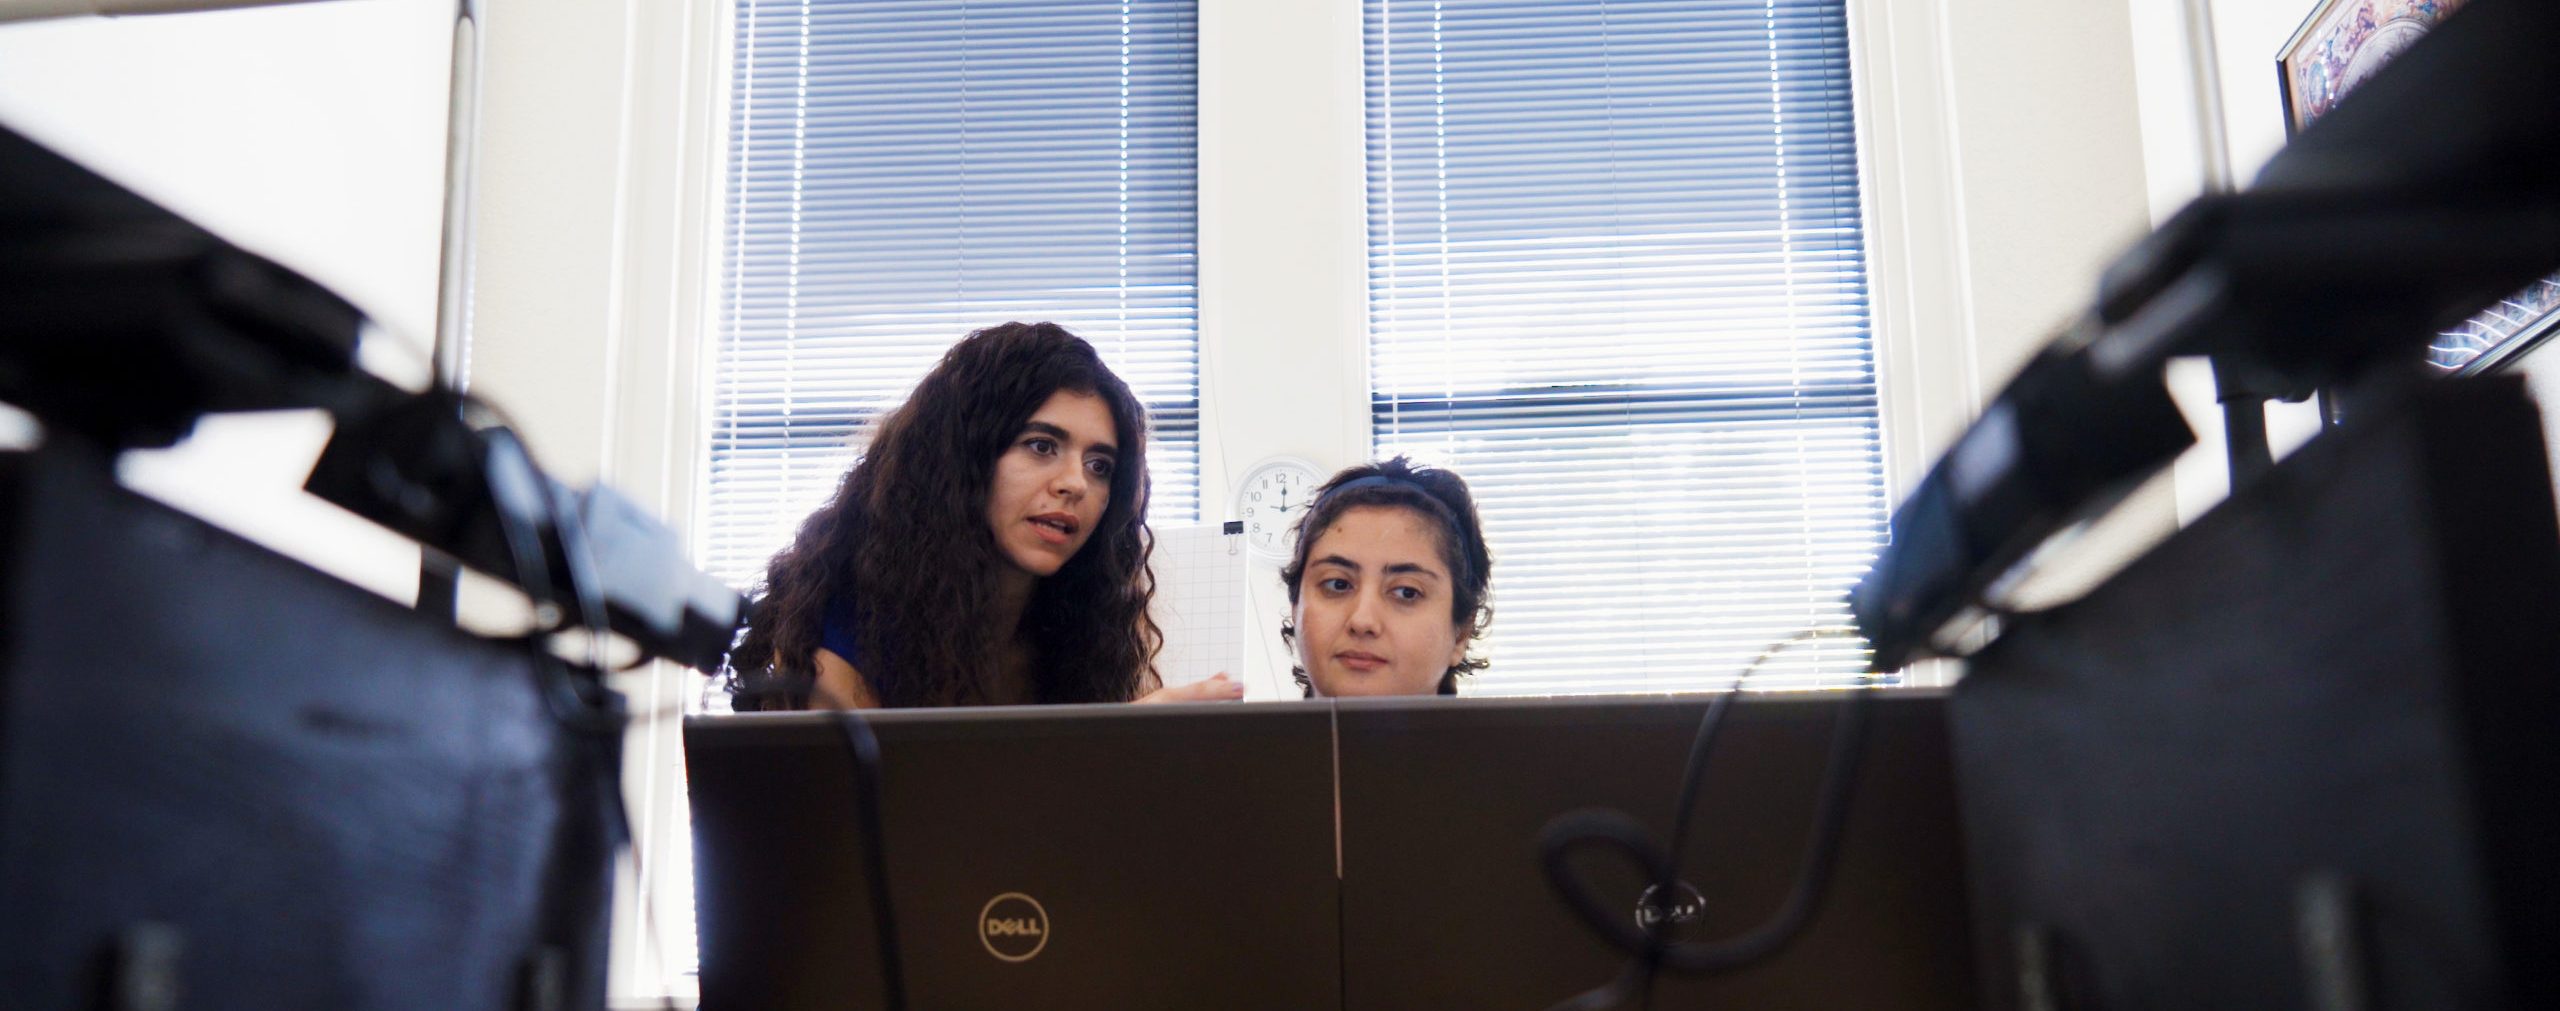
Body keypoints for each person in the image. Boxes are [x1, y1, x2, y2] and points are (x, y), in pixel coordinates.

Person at [724, 322, 1241, 709]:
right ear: (960, 462)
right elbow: (886, 832)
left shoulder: (1084, 639)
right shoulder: (842, 632)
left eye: (1100, 465)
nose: (1075, 483)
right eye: (1041, 446)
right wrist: (1107, 749)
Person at [1279, 457, 1493, 697]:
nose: (1362, 621)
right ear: (1296, 609)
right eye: (1337, 584)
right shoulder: (1238, 736)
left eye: (1407, 592)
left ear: (1461, 634)